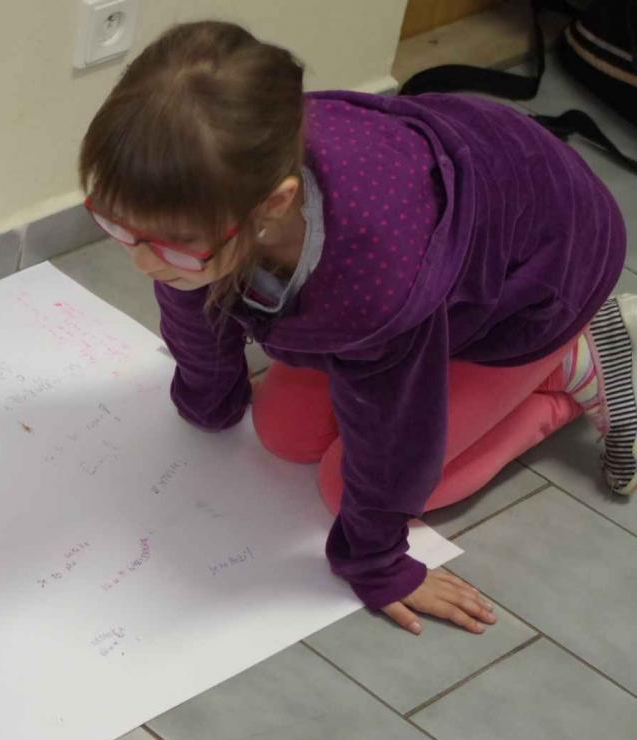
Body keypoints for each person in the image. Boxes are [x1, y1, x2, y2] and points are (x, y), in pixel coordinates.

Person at [79, 21, 634, 634]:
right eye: (117, 226)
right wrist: (209, 397)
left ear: (273, 205)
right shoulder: (220, 177)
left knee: (345, 489)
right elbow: (192, 293)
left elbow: (399, 430)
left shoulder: (374, 284)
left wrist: (377, 563)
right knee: (281, 433)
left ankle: (570, 365)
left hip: (541, 282)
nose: (141, 262)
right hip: (455, 242)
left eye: (173, 245)